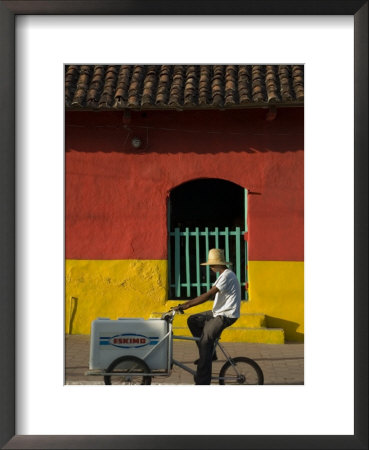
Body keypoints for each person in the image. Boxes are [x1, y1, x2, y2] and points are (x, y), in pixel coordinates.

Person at [172, 248, 241, 385]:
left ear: (218, 265)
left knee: (205, 341)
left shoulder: (227, 275)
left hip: (226, 315)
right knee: (193, 320)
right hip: (218, 312)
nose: (210, 267)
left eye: (211, 265)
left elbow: (208, 295)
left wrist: (186, 305)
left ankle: (202, 381)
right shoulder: (223, 275)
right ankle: (209, 354)